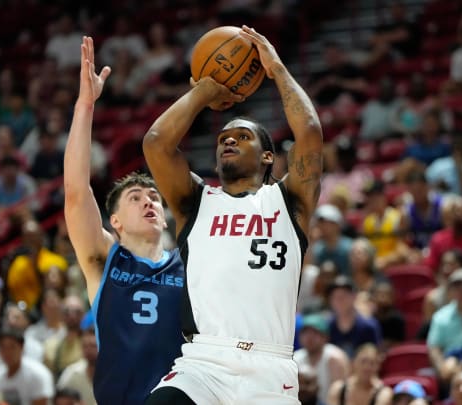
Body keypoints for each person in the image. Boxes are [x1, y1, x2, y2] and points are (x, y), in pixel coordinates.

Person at [143, 25, 323, 404]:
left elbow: (308, 131)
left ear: (268, 156)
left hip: (269, 369)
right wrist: (203, 91)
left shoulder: (289, 201)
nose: (229, 139)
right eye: (224, 137)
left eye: (243, 136)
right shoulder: (196, 200)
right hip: (202, 363)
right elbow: (157, 144)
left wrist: (276, 70)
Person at [63, 37, 185, 404]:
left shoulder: (189, 261)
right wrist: (86, 105)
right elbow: (74, 190)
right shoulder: (105, 259)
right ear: (114, 220)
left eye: (153, 198)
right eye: (136, 198)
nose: (149, 202)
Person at [0, 327, 55, 405]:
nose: (7, 352)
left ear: (22, 347)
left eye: (12, 347)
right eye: (3, 347)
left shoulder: (38, 374)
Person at [293, 313, 350, 404]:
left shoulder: (334, 358)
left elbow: (341, 396)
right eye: (305, 332)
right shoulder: (295, 358)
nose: (309, 337)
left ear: (325, 337)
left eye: (314, 333)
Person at [326, 343, 393, 405]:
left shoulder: (384, 393)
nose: (367, 367)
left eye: (372, 363)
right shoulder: (338, 390)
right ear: (353, 363)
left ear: (378, 367)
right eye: (363, 361)